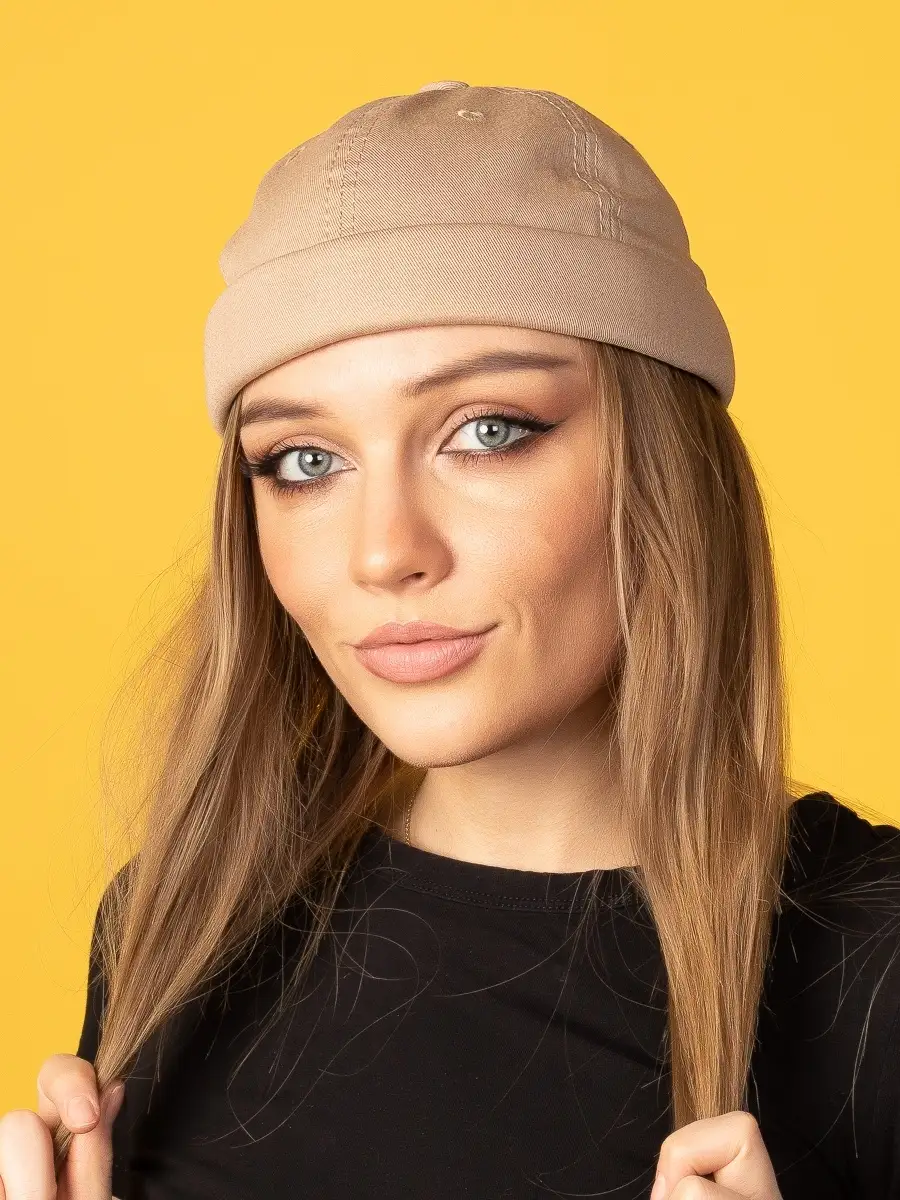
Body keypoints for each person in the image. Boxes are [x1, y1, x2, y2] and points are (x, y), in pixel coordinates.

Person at [2, 81, 899, 1200]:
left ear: (664, 468)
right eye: (305, 461)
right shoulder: (176, 928)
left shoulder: (871, 973)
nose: (385, 553)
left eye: (488, 432)